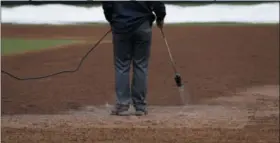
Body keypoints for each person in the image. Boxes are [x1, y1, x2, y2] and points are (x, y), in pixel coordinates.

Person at [101, 1, 166, 116]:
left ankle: (122, 104)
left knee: (122, 65)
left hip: (121, 26)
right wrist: (160, 17)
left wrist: (112, 20)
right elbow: (157, 3)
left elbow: (107, 4)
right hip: (143, 25)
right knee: (141, 65)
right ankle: (140, 106)